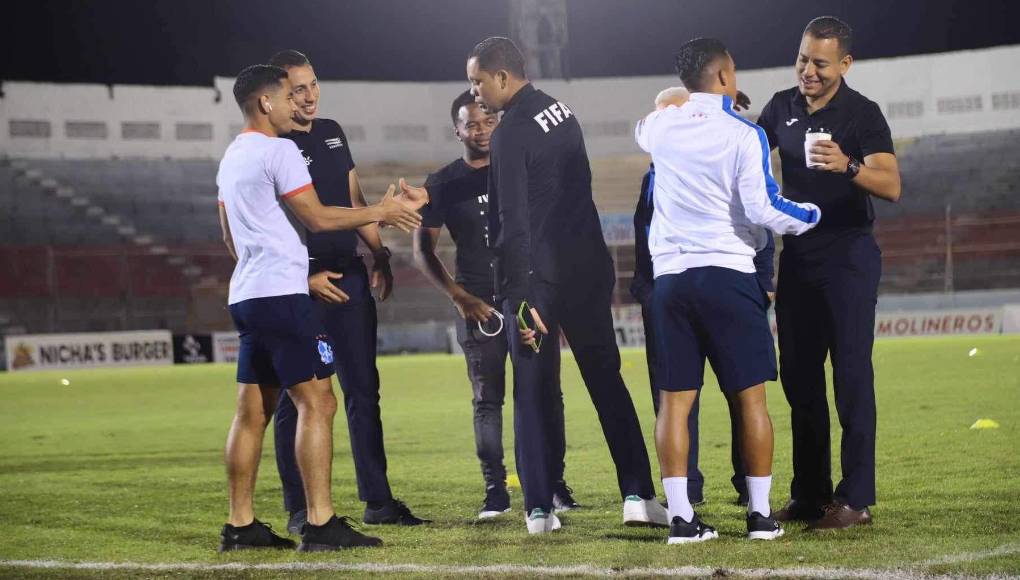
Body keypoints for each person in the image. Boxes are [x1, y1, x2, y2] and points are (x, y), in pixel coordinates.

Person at [405, 37, 669, 535]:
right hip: (587, 270)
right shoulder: (561, 111)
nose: (476, 92)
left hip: (537, 281)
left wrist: (520, 298)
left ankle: (539, 510)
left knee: (532, 391)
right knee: (606, 380)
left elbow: (512, 221)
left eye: (478, 81)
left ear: (502, 77)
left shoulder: (511, 134)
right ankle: (637, 494)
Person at [216, 64, 421, 552]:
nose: (297, 104)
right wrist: (382, 212)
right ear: (266, 103)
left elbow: (228, 233)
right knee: (319, 402)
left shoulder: (232, 155)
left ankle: (240, 526)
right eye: (288, 96)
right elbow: (318, 216)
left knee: (252, 413)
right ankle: (321, 523)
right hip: (285, 296)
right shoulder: (280, 149)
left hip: (247, 294)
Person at [635, 38, 820, 544]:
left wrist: (678, 100)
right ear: (722, 77)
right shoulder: (744, 132)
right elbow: (764, 208)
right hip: (728, 275)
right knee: (750, 401)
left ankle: (681, 520)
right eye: (732, 72)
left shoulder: (661, 127)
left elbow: (648, 121)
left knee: (673, 404)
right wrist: (812, 215)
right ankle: (760, 517)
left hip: (671, 280)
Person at [265, 50, 429, 532]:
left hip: (349, 276)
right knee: (295, 397)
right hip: (304, 284)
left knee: (364, 390)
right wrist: (302, 279)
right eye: (297, 88)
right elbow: (269, 223)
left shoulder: (332, 131)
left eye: (313, 84)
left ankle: (377, 501)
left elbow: (355, 202)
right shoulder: (272, 145)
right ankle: (299, 509)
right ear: (275, 94)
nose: (309, 95)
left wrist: (379, 256)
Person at [756, 16, 901, 530]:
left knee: (852, 379)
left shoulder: (862, 114)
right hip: (797, 257)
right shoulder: (781, 107)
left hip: (849, 258)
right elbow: (747, 153)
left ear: (844, 63)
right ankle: (811, 495)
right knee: (799, 381)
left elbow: (891, 185)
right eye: (802, 59)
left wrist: (849, 166)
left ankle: (856, 499)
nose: (808, 71)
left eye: (820, 62)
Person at [412, 90, 579, 520]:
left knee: (545, 393)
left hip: (526, 296)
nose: (481, 130)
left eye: (487, 121)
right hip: (480, 305)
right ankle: (496, 490)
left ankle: (553, 484)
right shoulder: (443, 183)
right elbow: (423, 252)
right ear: (457, 130)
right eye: (471, 124)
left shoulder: (518, 170)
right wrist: (461, 297)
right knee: (488, 399)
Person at [631, 87, 776, 508]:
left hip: (724, 282)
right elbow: (645, 238)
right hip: (671, 292)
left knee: (740, 395)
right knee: (678, 399)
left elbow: (756, 218)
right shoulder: (656, 175)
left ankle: (745, 490)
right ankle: (690, 495)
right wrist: (648, 289)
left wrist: (763, 280)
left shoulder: (719, 155)